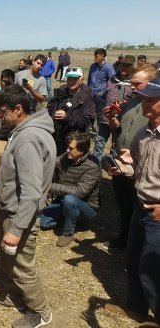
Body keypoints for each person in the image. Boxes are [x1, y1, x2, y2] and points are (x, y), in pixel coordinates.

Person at [0, 84, 55, 328]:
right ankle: (16, 297)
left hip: (19, 215)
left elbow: (31, 192)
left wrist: (16, 230)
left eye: (2, 111)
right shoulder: (23, 130)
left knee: (22, 267)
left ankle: (40, 313)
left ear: (18, 109)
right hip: (11, 209)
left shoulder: (28, 139)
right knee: (8, 261)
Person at [104, 76, 160, 327]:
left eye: (150, 100)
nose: (144, 104)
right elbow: (137, 167)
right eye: (143, 98)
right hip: (141, 206)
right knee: (134, 260)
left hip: (157, 214)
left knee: (153, 268)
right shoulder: (143, 133)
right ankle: (137, 308)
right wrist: (121, 169)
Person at [100, 63, 157, 251]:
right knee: (124, 205)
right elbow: (119, 130)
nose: (131, 87)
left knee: (138, 206)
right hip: (123, 160)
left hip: (141, 164)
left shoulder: (153, 107)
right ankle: (125, 239)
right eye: (131, 83)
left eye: (137, 83)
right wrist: (112, 119)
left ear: (152, 83)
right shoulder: (131, 101)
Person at [39, 132, 101, 247]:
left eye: (71, 148)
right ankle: (71, 218)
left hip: (86, 206)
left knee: (70, 199)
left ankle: (68, 232)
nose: (67, 150)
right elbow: (51, 163)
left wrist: (49, 186)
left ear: (81, 151)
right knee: (41, 222)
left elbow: (80, 192)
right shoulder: (67, 157)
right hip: (63, 202)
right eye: (68, 147)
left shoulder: (92, 167)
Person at [93, 55, 135, 163]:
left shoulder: (135, 83)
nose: (123, 68)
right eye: (122, 65)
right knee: (98, 145)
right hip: (105, 119)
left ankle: (115, 170)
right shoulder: (112, 79)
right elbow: (104, 93)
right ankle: (94, 171)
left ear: (133, 67)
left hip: (121, 122)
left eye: (127, 66)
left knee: (117, 148)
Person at [47, 67, 95, 155]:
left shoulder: (87, 96)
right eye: (69, 78)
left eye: (75, 79)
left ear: (81, 79)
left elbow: (85, 121)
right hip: (58, 134)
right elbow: (51, 105)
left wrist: (67, 117)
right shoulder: (62, 89)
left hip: (75, 138)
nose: (71, 81)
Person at [87, 48, 116, 134]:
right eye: (94, 56)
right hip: (91, 94)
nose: (95, 58)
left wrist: (101, 93)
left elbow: (112, 82)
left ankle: (100, 132)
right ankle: (90, 129)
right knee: (90, 113)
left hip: (101, 96)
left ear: (103, 56)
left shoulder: (108, 67)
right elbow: (89, 80)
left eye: (96, 56)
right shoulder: (92, 66)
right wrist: (88, 90)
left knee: (101, 115)